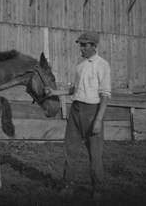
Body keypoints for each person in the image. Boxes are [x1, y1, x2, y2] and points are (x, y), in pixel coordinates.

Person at [44, 31, 111, 201]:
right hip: (76, 109)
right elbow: (74, 89)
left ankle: (98, 189)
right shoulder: (80, 66)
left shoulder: (102, 65)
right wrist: (55, 91)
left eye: (84, 45)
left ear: (94, 46)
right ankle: (68, 185)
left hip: (92, 111)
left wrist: (98, 119)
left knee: (95, 152)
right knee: (70, 149)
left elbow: (105, 95)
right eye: (80, 44)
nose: (81, 48)